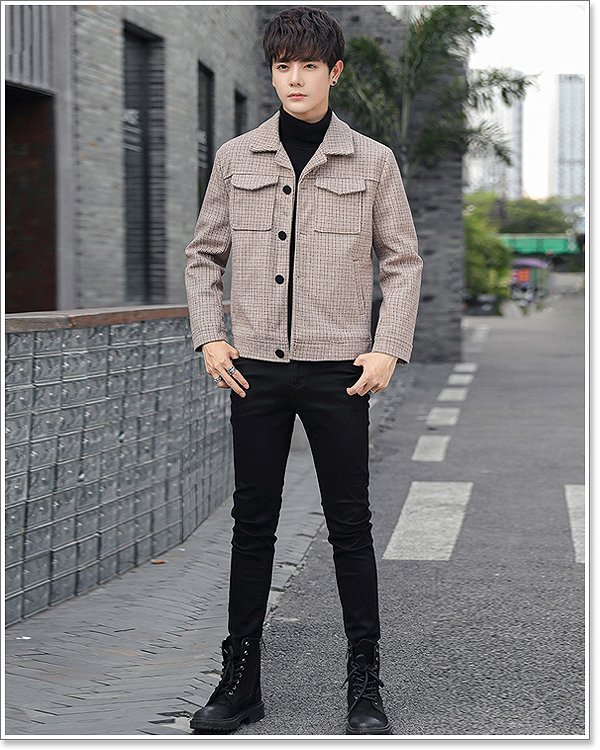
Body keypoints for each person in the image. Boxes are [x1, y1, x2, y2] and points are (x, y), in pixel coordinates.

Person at [184, 5, 423, 735]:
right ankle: (239, 685)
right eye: (283, 66)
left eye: (309, 66)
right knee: (252, 524)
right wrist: (211, 337)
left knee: (350, 525)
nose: (294, 78)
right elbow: (204, 256)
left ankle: (365, 688)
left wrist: (387, 345)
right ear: (273, 72)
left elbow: (403, 261)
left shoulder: (372, 161)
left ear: (334, 72)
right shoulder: (237, 158)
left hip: (338, 373)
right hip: (254, 370)